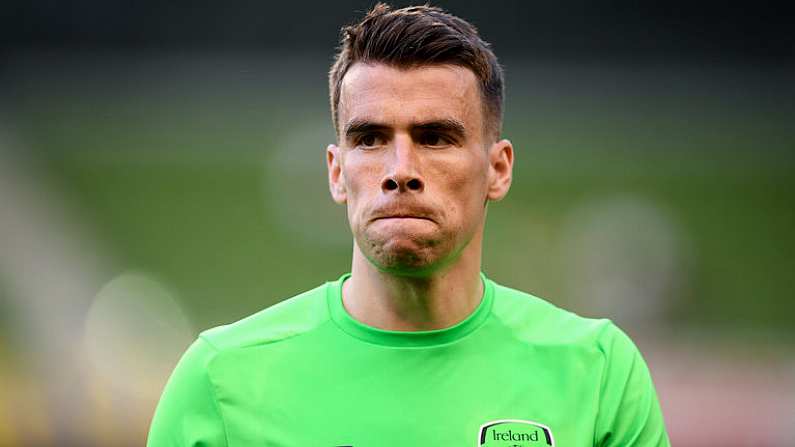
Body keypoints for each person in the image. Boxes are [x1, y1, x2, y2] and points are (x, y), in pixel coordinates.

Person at [147, 3, 670, 446]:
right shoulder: (220, 382)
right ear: (336, 172)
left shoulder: (597, 373)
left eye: (435, 138)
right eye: (370, 138)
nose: (400, 171)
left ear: (498, 169)